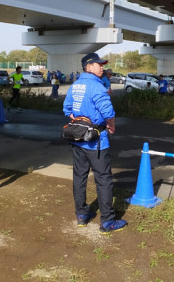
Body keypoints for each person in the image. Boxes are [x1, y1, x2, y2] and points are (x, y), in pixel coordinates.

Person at [63, 52, 127, 234]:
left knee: (79, 177)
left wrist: (77, 118)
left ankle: (82, 215)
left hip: (77, 140)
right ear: (89, 67)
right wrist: (111, 125)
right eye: (99, 64)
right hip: (97, 141)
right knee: (103, 179)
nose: (102, 67)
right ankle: (107, 221)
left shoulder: (75, 86)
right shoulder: (97, 87)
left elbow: (67, 108)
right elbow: (108, 111)